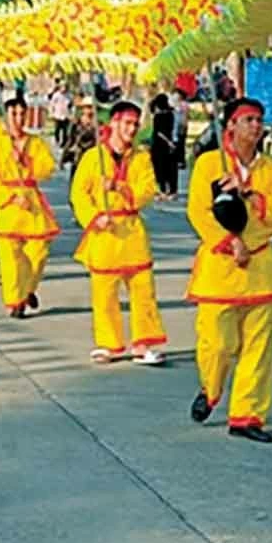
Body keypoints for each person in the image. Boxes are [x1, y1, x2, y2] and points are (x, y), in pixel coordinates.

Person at [185, 96, 272, 443]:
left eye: (259, 120)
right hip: (220, 268)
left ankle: (247, 416)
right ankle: (211, 388)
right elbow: (198, 212)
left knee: (258, 348)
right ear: (229, 125)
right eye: (247, 119)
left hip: (259, 266)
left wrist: (251, 196)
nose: (255, 126)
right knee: (217, 343)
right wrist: (229, 241)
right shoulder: (209, 165)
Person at [70, 100, 167, 365]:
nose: (132, 129)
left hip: (132, 230)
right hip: (104, 231)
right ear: (112, 123)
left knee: (143, 290)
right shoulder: (94, 158)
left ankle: (144, 342)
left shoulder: (141, 158)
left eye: (136, 124)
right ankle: (109, 343)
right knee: (104, 292)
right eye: (127, 123)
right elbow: (79, 193)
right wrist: (93, 217)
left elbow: (147, 190)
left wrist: (120, 187)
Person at [0, 92, 59, 318]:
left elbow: (48, 167)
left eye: (22, 114)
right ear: (6, 116)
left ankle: (28, 289)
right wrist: (10, 197)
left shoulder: (35, 142)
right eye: (13, 114)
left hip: (31, 201)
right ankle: (14, 300)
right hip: (8, 203)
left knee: (39, 251)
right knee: (10, 256)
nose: (18, 118)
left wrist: (30, 164)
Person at [150, 93, 179, 200]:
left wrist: (167, 142)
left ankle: (163, 190)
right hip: (171, 144)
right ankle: (172, 190)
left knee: (160, 168)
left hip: (159, 145)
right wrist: (171, 142)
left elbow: (158, 132)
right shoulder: (171, 115)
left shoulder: (157, 117)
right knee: (171, 168)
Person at [49, 84, 73, 156]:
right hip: (57, 115)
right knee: (57, 129)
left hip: (65, 115)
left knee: (65, 130)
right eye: (63, 87)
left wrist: (71, 114)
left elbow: (71, 105)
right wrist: (52, 113)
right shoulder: (56, 95)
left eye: (65, 87)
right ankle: (57, 141)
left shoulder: (69, 96)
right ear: (60, 88)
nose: (64, 89)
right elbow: (52, 105)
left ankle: (63, 144)